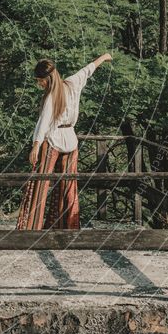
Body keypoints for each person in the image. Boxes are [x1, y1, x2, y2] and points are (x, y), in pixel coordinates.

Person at [16, 53, 112, 231]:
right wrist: (104, 57)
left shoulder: (52, 96)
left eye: (40, 80)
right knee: (68, 186)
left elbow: (43, 123)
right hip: (70, 141)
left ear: (48, 78)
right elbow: (88, 70)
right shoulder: (72, 83)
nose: (39, 84)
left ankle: (30, 229)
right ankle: (66, 227)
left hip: (52, 140)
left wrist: (35, 146)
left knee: (39, 184)